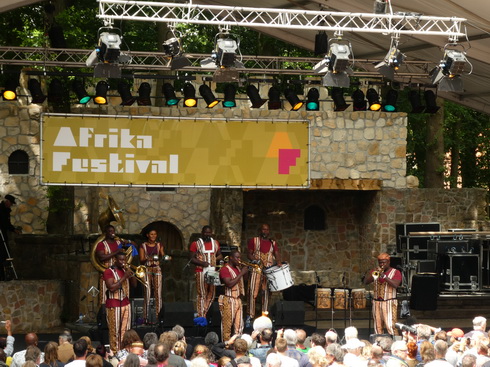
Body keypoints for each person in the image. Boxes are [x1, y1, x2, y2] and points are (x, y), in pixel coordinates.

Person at [246, 224, 281, 324]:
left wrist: (278, 262)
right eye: (263, 229)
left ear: (269, 231)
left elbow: (277, 254)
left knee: (266, 294)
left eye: (267, 230)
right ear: (260, 230)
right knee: (252, 292)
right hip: (256, 270)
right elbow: (249, 253)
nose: (265, 231)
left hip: (268, 271)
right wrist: (255, 260)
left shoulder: (272, 242)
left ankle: (264, 315)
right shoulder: (254, 240)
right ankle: (250, 316)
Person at [104, 252, 137, 352]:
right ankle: (115, 353)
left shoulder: (125, 270)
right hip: (114, 304)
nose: (123, 262)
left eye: (124, 260)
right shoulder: (108, 271)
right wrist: (124, 277)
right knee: (115, 332)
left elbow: (134, 285)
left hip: (126, 303)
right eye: (121, 260)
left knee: (125, 331)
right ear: (115, 260)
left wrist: (131, 274)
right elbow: (111, 288)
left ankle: (125, 352)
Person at [364, 253, 402, 335]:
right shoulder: (376, 271)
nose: (382, 264)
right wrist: (374, 273)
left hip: (389, 302)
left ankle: (395, 344)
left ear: (388, 262)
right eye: (380, 262)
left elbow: (395, 285)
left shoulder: (396, 272)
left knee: (391, 326)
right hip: (377, 302)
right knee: (377, 327)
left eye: (384, 262)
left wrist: (385, 277)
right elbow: (366, 281)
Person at [190, 225, 222, 318]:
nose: (207, 234)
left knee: (211, 293)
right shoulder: (196, 244)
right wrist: (201, 262)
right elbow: (191, 258)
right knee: (202, 294)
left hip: (212, 271)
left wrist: (214, 259)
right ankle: (201, 316)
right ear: (202, 233)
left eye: (209, 232)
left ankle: (203, 312)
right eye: (205, 232)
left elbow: (220, 255)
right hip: (200, 271)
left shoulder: (215, 243)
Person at [139, 229, 171, 324]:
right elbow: (141, 260)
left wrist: (167, 257)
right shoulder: (143, 245)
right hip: (147, 269)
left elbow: (163, 255)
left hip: (157, 269)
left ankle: (159, 317)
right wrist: (149, 258)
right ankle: (145, 318)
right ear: (147, 235)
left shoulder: (159, 245)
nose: (153, 236)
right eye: (151, 234)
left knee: (158, 293)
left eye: (155, 234)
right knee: (147, 293)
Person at [219, 250, 248, 342]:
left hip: (238, 299)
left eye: (240, 257)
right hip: (228, 299)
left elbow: (244, 280)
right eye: (237, 257)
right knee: (227, 326)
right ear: (231, 257)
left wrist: (245, 271)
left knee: (239, 326)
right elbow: (229, 284)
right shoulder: (225, 269)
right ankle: (226, 346)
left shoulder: (238, 269)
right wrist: (242, 273)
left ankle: (238, 345)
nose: (239, 260)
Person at [96, 225, 125, 304]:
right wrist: (116, 252)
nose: (112, 233)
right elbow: (101, 257)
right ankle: (105, 314)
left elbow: (133, 247)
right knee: (104, 298)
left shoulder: (119, 242)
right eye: (110, 231)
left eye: (113, 231)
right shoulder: (101, 244)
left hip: (120, 272)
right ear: (105, 233)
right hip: (107, 273)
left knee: (121, 295)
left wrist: (128, 242)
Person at [0, 194, 20, 281]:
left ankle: (3, 275)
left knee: (3, 255)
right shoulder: (2, 210)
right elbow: (5, 223)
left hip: (3, 234)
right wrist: (13, 229)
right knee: (2, 254)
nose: (11, 205)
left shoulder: (5, 210)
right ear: (7, 202)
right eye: (11, 203)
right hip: (1, 236)